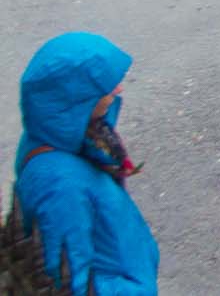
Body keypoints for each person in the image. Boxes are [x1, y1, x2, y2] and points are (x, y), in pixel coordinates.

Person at [13, 31, 160, 295]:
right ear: (78, 97)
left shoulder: (58, 133)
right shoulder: (59, 185)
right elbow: (71, 283)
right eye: (106, 85)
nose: (118, 89)